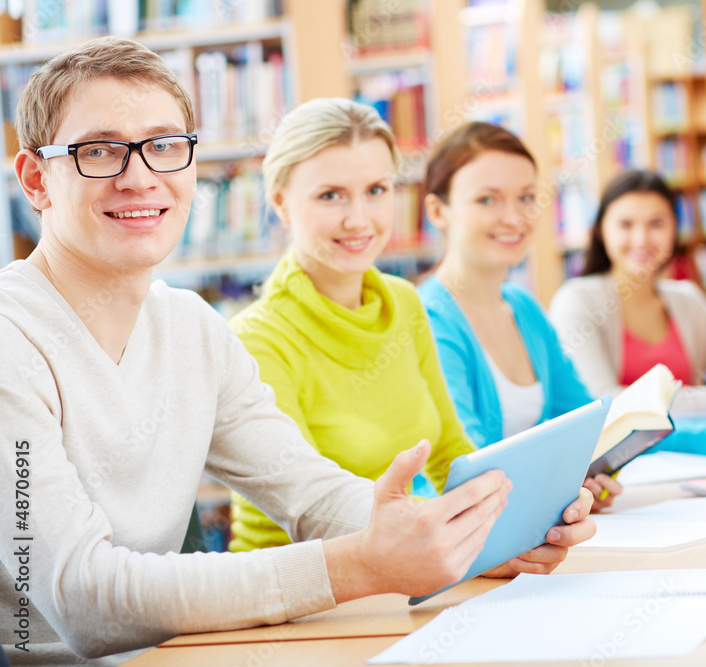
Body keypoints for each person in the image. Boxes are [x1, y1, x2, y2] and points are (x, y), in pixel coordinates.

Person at [0, 38, 590, 665]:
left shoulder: (192, 328)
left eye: (166, 146)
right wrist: (353, 568)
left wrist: (480, 536)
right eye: (99, 150)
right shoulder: (12, 337)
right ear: (37, 179)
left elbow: (309, 494)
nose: (141, 176)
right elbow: (80, 600)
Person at [227, 98, 593, 558]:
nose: (359, 218)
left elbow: (451, 456)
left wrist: (530, 515)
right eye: (330, 195)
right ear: (281, 203)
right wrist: (470, 541)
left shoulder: (403, 302)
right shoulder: (256, 340)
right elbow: (309, 512)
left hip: (402, 573)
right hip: (305, 597)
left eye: (377, 190)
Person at [418, 123, 706, 512]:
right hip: (466, 546)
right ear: (437, 210)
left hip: (525, 532)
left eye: (527, 198)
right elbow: (464, 471)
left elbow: (595, 425)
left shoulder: (523, 309)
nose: (513, 217)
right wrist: (561, 485)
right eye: (487, 200)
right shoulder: (428, 321)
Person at [548, 168, 706, 409]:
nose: (641, 239)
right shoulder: (576, 301)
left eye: (656, 224)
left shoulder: (687, 300)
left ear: (674, 229)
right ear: (601, 230)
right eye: (625, 224)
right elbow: (605, 403)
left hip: (696, 449)